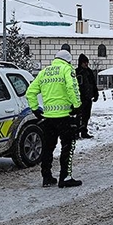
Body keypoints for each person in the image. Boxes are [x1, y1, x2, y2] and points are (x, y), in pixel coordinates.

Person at [25, 49, 83, 188]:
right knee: (67, 147)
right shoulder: (67, 70)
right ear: (68, 61)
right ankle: (65, 177)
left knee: (48, 148)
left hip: (48, 118)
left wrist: (35, 109)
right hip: (65, 117)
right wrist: (77, 105)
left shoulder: (44, 72)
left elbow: (30, 92)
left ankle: (47, 177)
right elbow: (72, 87)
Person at [75, 53, 99, 139]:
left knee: (86, 116)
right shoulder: (77, 72)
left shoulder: (89, 72)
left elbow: (93, 83)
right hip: (80, 98)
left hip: (88, 98)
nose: (86, 64)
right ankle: (76, 132)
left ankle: (84, 131)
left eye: (87, 62)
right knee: (78, 116)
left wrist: (95, 93)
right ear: (80, 63)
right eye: (84, 62)